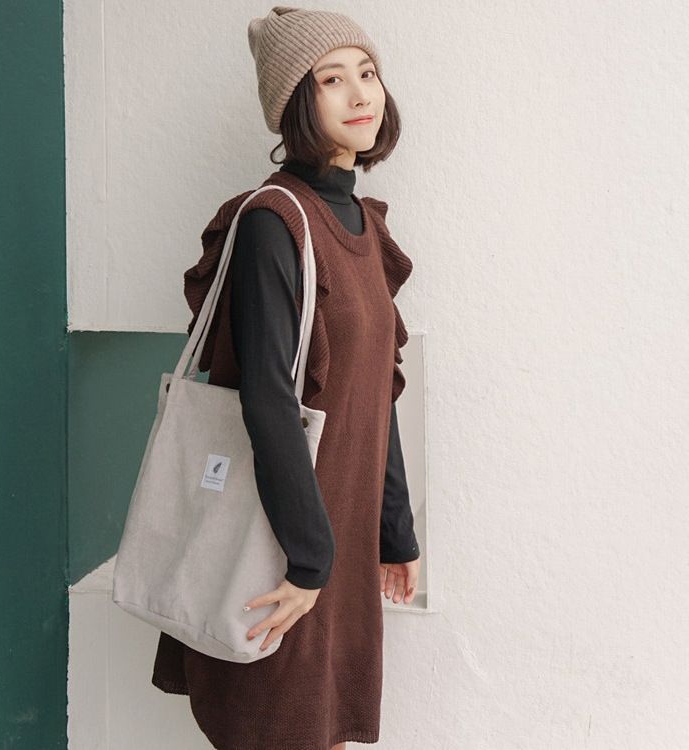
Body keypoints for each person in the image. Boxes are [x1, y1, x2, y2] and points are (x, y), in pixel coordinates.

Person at [151, 7, 421, 749]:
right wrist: (308, 559)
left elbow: (377, 389)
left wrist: (394, 531)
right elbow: (267, 401)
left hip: (338, 540)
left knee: (325, 733)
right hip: (283, 545)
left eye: (367, 72)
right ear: (294, 102)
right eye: (331, 80)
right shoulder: (275, 221)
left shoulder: (364, 223)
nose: (360, 94)